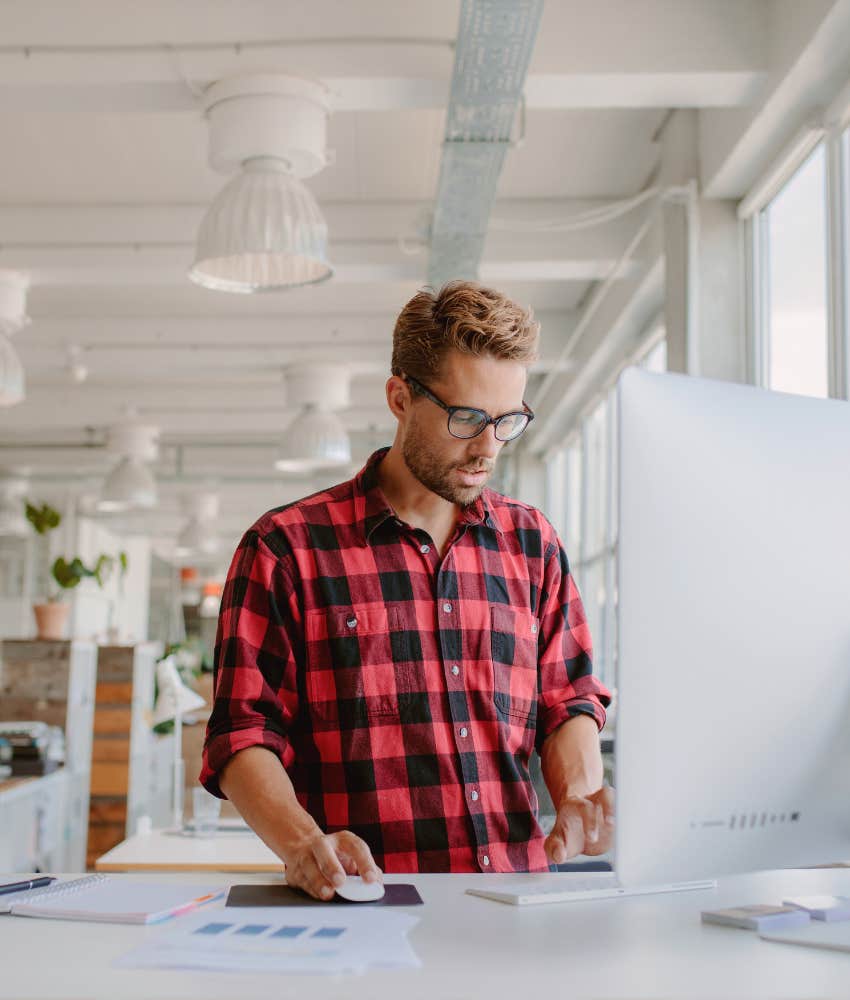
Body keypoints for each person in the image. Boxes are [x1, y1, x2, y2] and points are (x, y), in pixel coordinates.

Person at [201, 280, 613, 900]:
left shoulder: (533, 545)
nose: (487, 447)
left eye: (509, 421)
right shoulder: (285, 549)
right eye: (467, 417)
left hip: (516, 904)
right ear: (400, 397)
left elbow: (568, 700)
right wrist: (299, 841)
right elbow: (243, 733)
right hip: (361, 905)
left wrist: (579, 796)